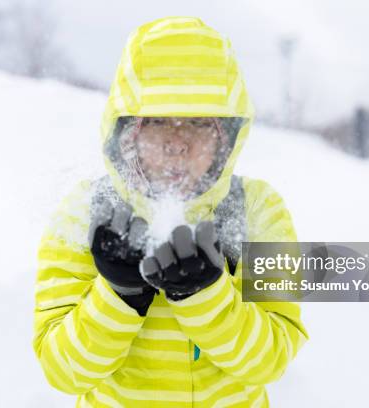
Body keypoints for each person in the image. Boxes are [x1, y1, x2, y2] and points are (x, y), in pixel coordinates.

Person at [33, 16, 309, 407]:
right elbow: (62, 371)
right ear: (126, 131)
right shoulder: (85, 215)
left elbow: (271, 361)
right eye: (158, 121)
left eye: (198, 123)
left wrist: (207, 296)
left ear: (226, 136)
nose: (177, 143)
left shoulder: (257, 212)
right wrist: (118, 295)